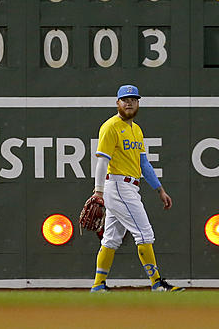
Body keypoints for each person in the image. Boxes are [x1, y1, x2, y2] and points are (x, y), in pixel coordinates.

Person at [89, 84, 184, 292]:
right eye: (125, 99)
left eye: (133, 99)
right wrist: (98, 192)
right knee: (144, 234)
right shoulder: (110, 127)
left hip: (129, 186)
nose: (129, 102)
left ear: (138, 103)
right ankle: (157, 283)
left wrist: (159, 189)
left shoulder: (136, 129)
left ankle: (98, 285)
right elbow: (102, 162)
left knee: (111, 238)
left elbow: (144, 164)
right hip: (118, 185)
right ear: (117, 103)